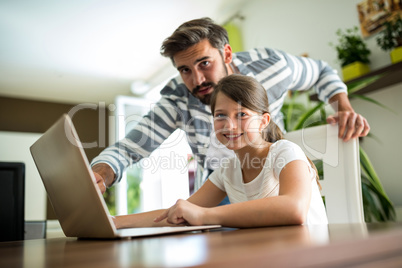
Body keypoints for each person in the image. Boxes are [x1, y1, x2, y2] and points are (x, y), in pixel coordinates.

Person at [91, 17, 370, 194]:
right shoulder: (178, 98)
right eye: (185, 70)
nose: (197, 79)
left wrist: (343, 106)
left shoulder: (273, 67)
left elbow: (321, 72)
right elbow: (131, 147)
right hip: (217, 188)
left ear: (226, 53)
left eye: (204, 63)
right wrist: (100, 174)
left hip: (273, 178)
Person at [112, 74, 328, 228]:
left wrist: (204, 215)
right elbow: (178, 213)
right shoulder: (227, 171)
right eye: (220, 115)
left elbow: (294, 209)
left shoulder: (285, 152)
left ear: (263, 121)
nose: (229, 125)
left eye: (241, 115)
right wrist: (115, 222)